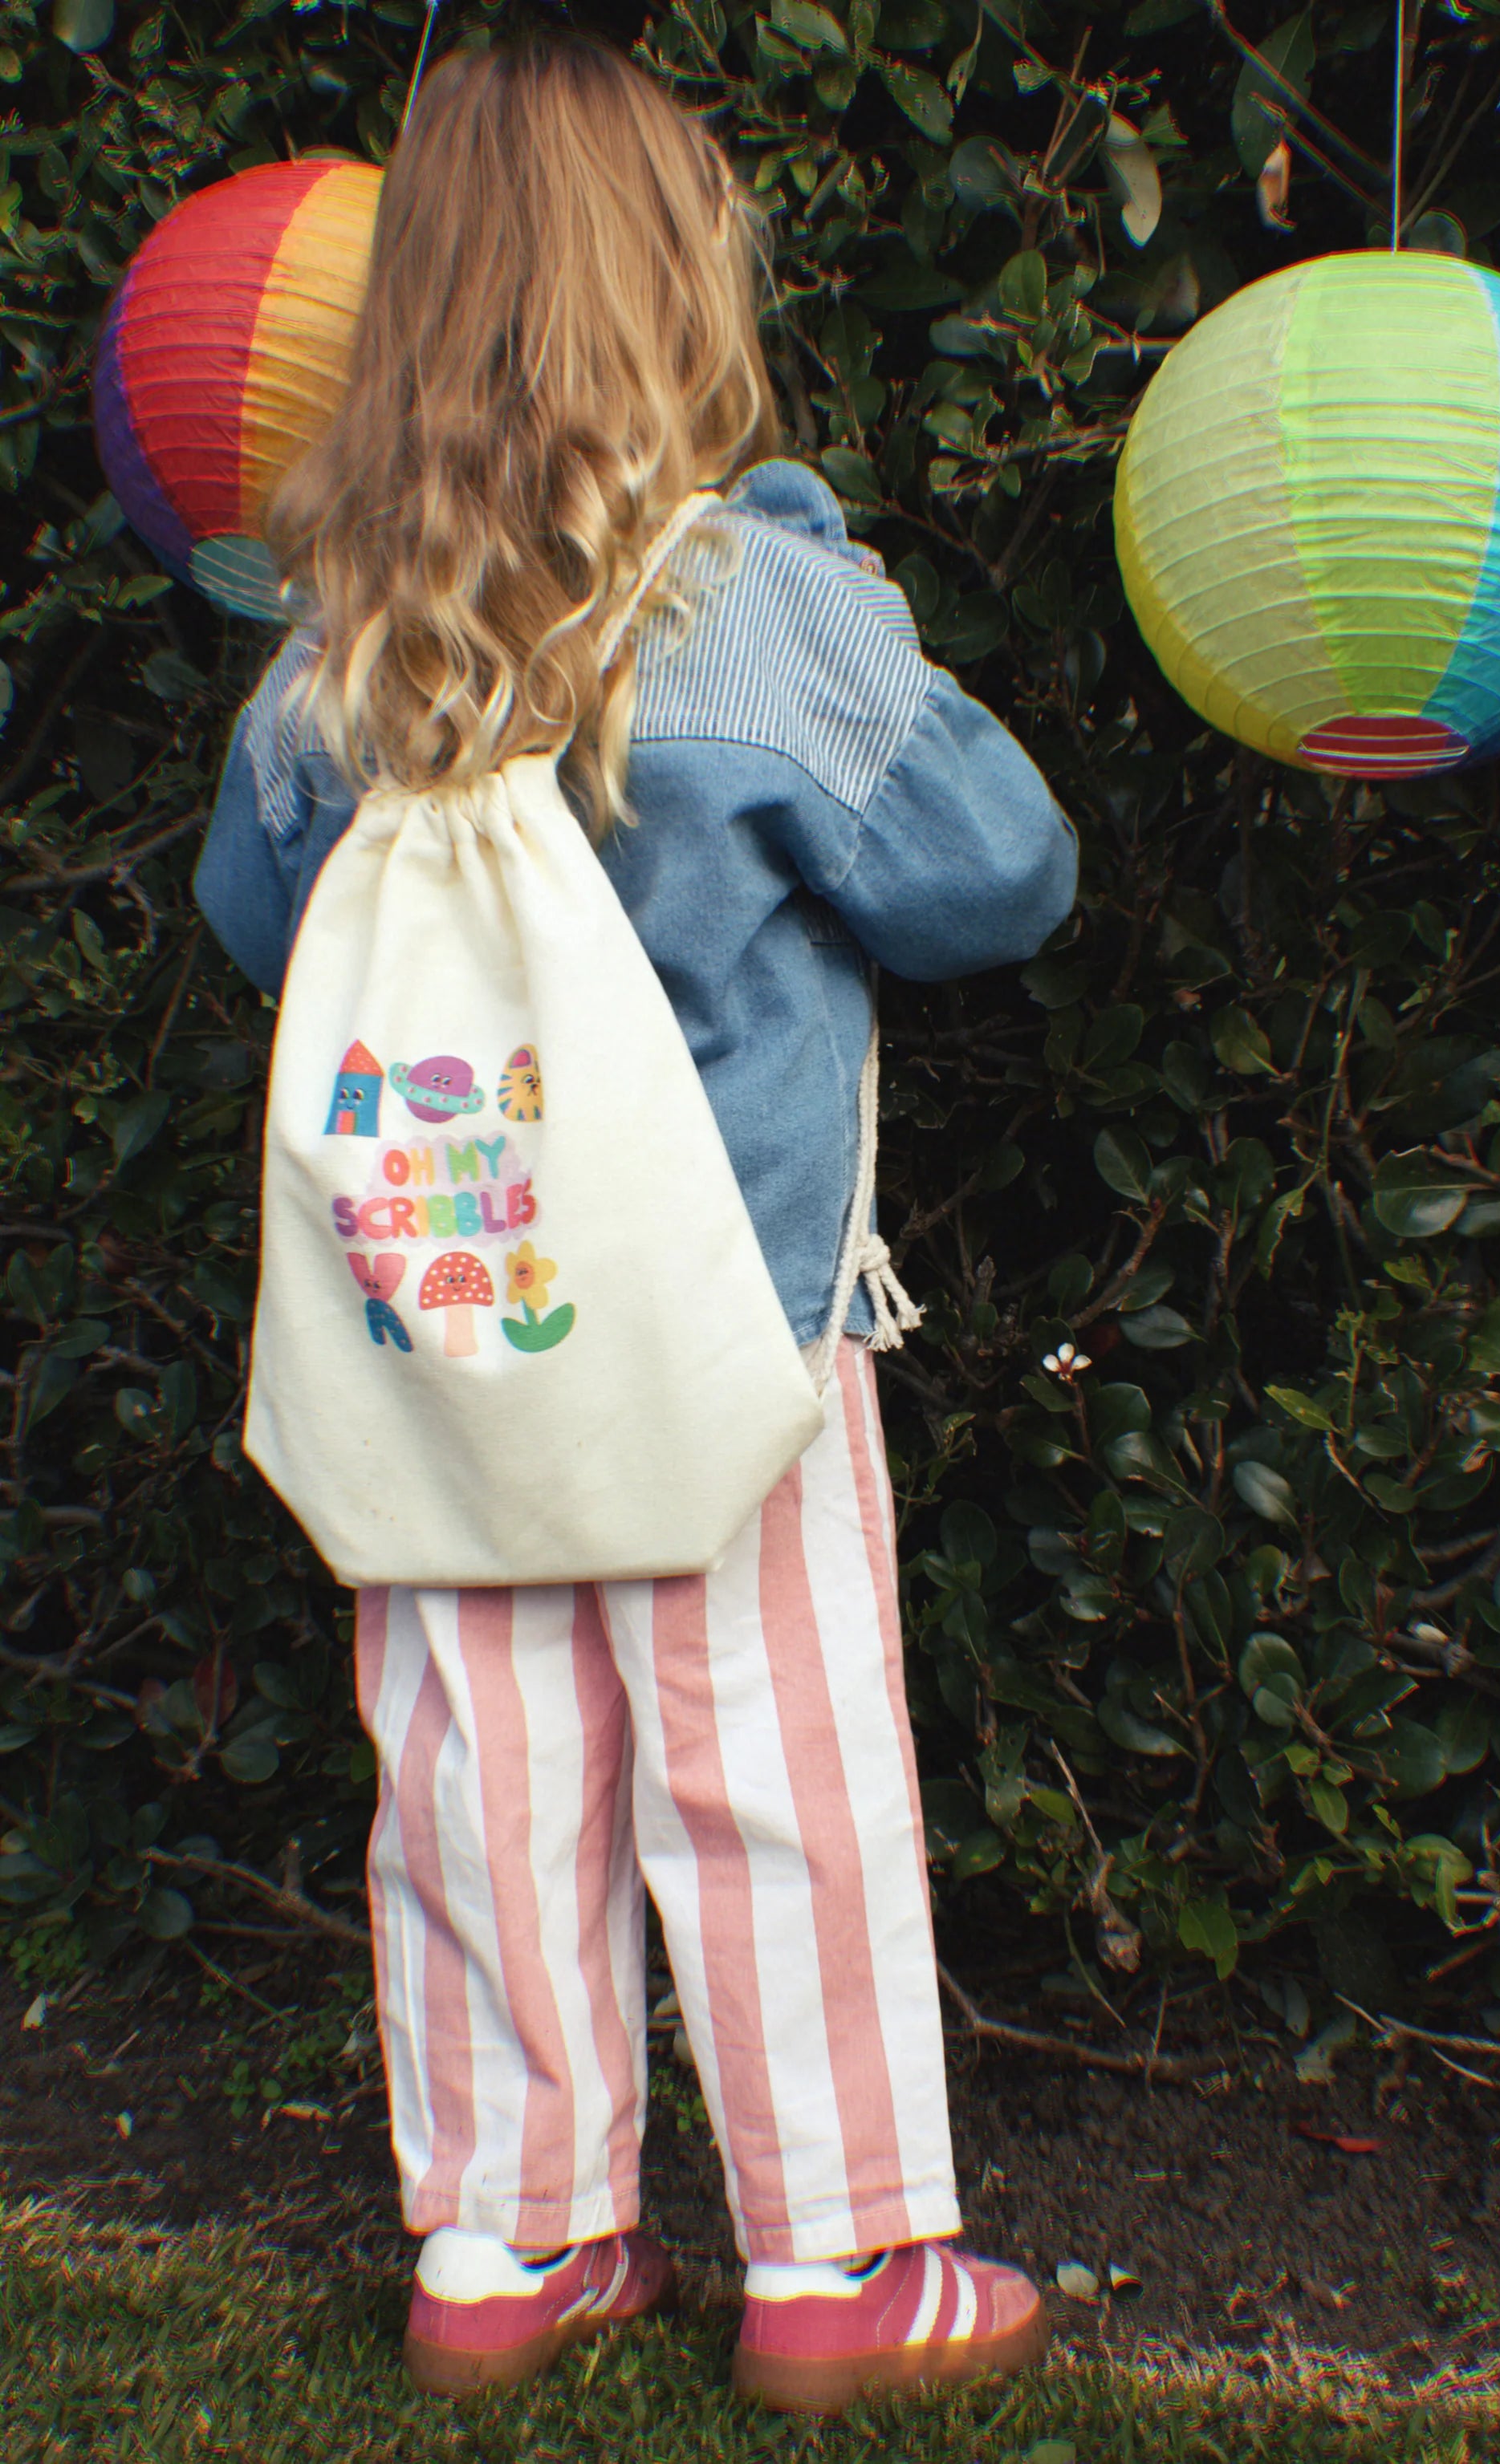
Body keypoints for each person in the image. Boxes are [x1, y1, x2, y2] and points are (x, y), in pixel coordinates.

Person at [196, 32, 1078, 2419]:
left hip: (445, 1339)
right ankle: (839, 2269)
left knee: (476, 1778)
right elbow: (998, 877)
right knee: (772, 1767)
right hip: (733, 1344)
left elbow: (254, 928)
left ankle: (508, 2242)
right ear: (674, 289)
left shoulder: (332, 648)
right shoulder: (753, 607)